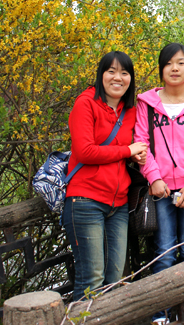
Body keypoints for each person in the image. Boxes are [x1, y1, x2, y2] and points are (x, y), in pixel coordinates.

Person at [134, 43, 184, 325]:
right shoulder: (146, 104)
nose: (174, 68)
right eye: (169, 63)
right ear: (161, 69)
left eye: (180, 63)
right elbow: (141, 145)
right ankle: (160, 314)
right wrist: (154, 178)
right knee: (164, 250)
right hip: (161, 190)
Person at [63, 51, 147, 301]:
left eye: (124, 72)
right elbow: (85, 151)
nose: (118, 78)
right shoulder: (85, 103)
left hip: (118, 204)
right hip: (85, 201)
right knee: (91, 281)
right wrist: (126, 150)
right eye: (111, 71)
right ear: (101, 75)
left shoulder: (129, 110)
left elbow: (120, 150)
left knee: (115, 281)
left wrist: (133, 156)